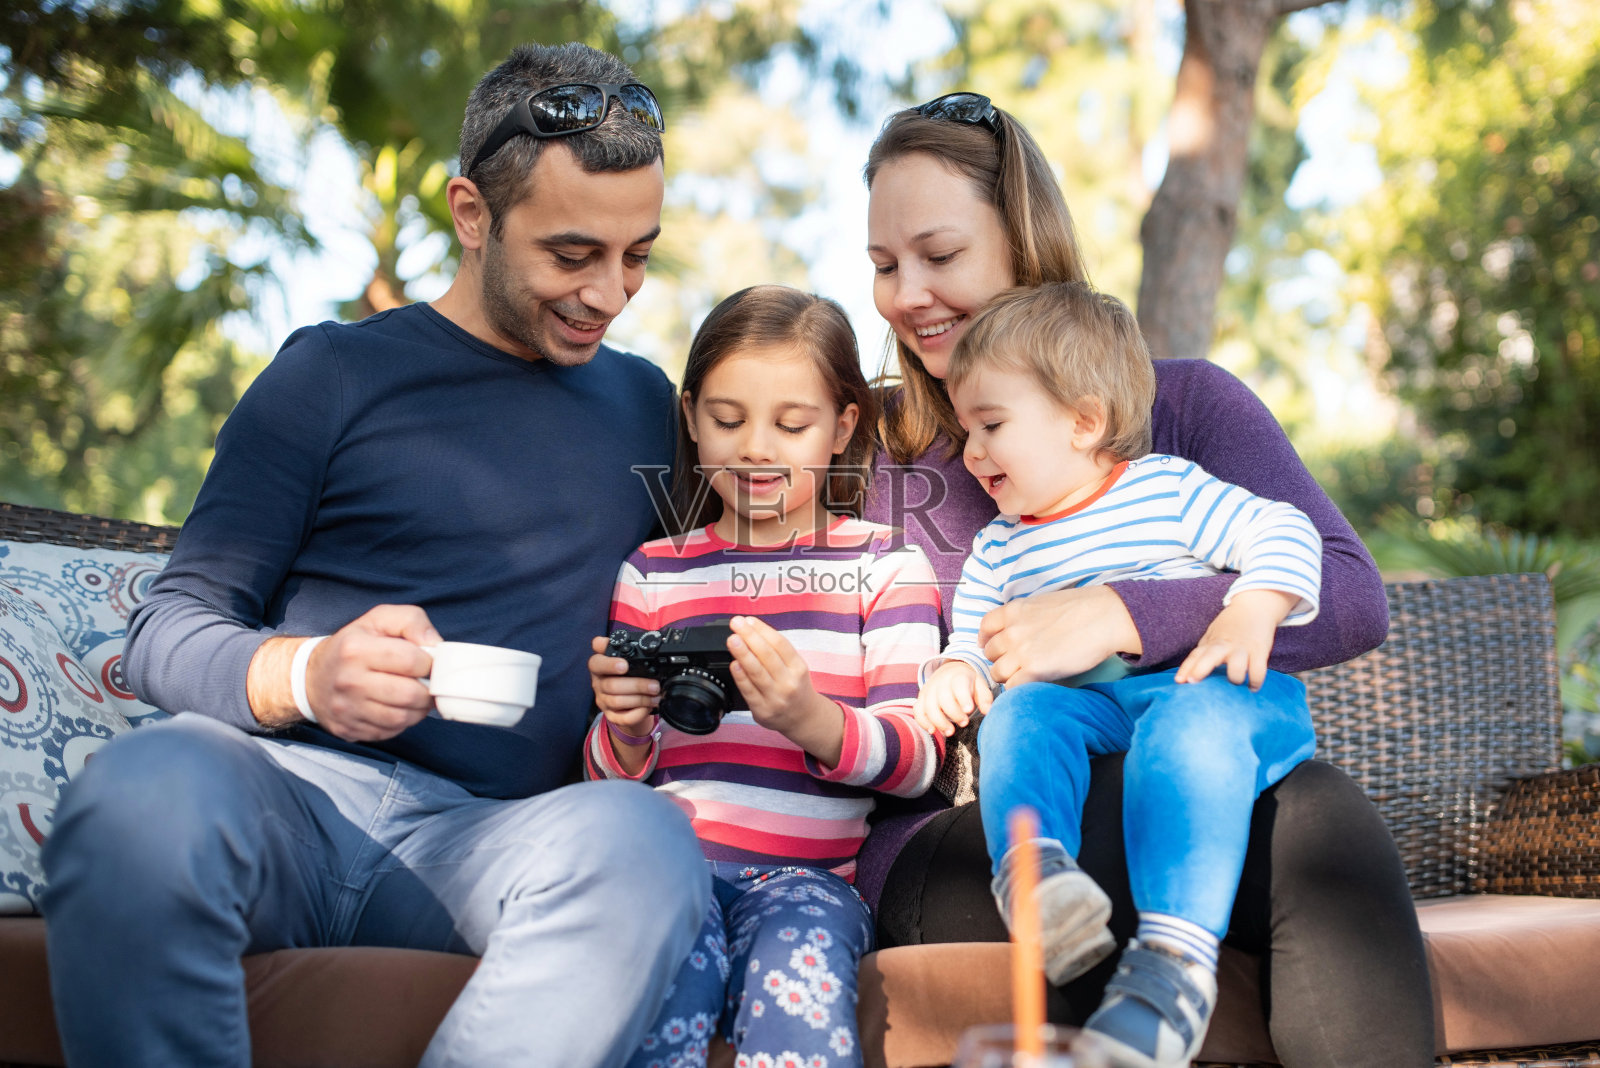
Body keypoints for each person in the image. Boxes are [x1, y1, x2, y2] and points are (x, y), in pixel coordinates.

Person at [40, 43, 711, 1068]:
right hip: (285, 800)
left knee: (644, 845)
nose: (610, 292)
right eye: (572, 255)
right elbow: (168, 631)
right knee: (142, 788)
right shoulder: (330, 376)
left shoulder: (645, 409)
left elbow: (777, 515)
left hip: (494, 845)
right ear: (471, 213)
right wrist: (310, 672)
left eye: (638, 255)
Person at [859, 92, 1436, 1066]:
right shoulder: (872, 449)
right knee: (1301, 828)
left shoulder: (1182, 409)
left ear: (1023, 243)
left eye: (939, 255)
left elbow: (1346, 592)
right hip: (967, 838)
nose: (908, 293)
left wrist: (1125, 614)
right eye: (882, 265)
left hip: (1178, 779)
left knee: (1314, 814)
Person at [918, 281, 1323, 1067]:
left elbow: (1283, 527)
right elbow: (970, 634)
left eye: (991, 424)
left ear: (1084, 420)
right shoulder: (1001, 545)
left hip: (1216, 699)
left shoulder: (1167, 488)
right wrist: (955, 669)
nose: (971, 452)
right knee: (1024, 715)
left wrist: (1254, 608)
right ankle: (1038, 882)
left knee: (1184, 722)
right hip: (1095, 711)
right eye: (966, 428)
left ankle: (1173, 967)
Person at [585, 285, 943, 1068]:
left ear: (843, 425)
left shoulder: (885, 566)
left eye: (791, 425)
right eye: (727, 419)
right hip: (666, 868)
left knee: (799, 993)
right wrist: (624, 727)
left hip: (808, 881)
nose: (755, 449)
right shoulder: (652, 573)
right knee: (657, 997)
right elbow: (611, 783)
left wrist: (811, 718)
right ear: (689, 417)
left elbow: (920, 760)